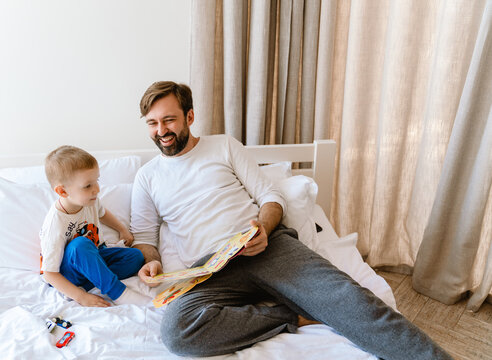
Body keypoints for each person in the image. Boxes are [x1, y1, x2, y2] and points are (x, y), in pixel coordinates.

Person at [130, 81, 453, 359]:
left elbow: (271, 196)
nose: (162, 132)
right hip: (209, 270)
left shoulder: (223, 146)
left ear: (189, 117)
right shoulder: (147, 177)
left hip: (267, 250)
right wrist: (151, 262)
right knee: (179, 333)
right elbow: (145, 235)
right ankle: (292, 315)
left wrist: (264, 228)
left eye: (169, 120)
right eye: (152, 123)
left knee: (352, 301)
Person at [40, 145, 144, 307]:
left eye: (97, 181)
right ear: (62, 192)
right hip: (67, 273)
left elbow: (103, 214)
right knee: (80, 244)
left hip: (94, 258)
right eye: (87, 186)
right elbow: (49, 274)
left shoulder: (89, 200)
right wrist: (81, 297)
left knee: (135, 257)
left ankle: (96, 280)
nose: (96, 189)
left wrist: (122, 230)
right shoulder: (56, 222)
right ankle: (118, 292)